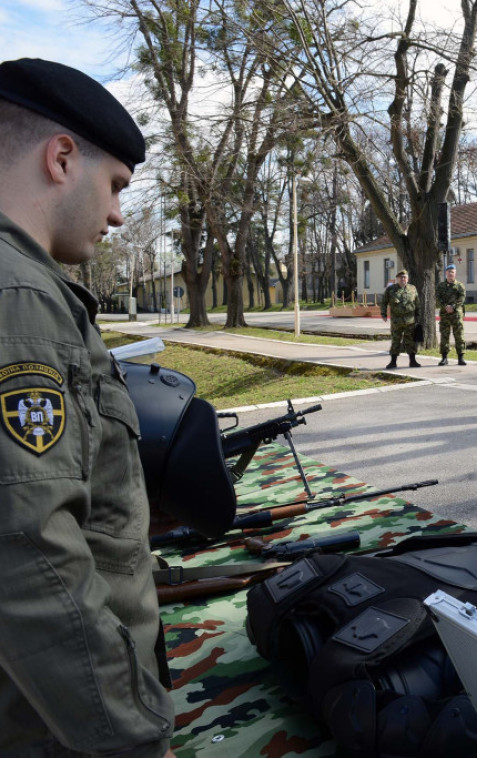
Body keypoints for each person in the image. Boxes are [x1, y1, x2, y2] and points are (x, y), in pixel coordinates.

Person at [0, 58, 176, 756]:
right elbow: (29, 552)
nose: (116, 214)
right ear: (62, 156)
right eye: (114, 186)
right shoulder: (20, 297)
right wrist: (130, 736)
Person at [381, 269, 420, 368]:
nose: (403, 279)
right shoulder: (391, 289)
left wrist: (418, 316)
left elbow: (417, 303)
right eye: (401, 277)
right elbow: (384, 302)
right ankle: (393, 362)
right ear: (397, 279)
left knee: (411, 341)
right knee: (395, 341)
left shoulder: (413, 288)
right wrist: (384, 314)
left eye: (405, 277)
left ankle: (413, 361)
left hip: (410, 320)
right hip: (396, 321)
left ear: (407, 278)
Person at [436, 263, 467, 365]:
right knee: (444, 335)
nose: (451, 274)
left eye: (452, 272)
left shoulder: (460, 286)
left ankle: (461, 358)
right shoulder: (440, 286)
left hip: (456, 314)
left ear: (455, 273)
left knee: (459, 335)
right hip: (445, 314)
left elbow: (461, 298)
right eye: (449, 272)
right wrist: (446, 306)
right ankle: (444, 358)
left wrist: (453, 307)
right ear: (446, 273)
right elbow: (438, 298)